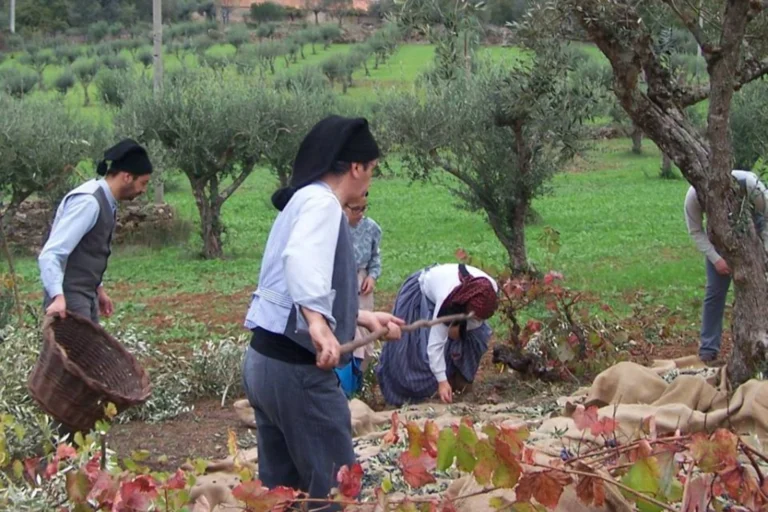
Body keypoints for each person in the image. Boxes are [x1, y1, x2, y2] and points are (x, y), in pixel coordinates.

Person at [241, 115, 404, 508]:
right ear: (356, 167)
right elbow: (300, 260)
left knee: (283, 494)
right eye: (372, 171)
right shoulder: (323, 204)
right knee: (335, 491)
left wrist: (364, 318)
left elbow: (289, 279)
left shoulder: (301, 200)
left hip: (264, 364)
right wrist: (317, 322)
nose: (370, 180)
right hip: (299, 373)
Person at [38, 139, 153, 323]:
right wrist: (58, 298)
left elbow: (87, 251)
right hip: (69, 297)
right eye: (143, 183)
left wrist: (99, 289)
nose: (144, 190)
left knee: (89, 351)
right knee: (76, 352)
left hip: (86, 295)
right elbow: (51, 253)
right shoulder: (88, 202)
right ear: (127, 177)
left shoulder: (106, 201)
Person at [375, 263, 499, 407]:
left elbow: (476, 323)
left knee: (477, 337)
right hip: (426, 294)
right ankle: (424, 395)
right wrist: (442, 381)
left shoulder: (489, 291)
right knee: (416, 358)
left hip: (461, 307)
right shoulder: (445, 298)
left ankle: (460, 381)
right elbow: (435, 345)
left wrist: (462, 328)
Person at [684, 169, 768, 362]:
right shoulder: (693, 197)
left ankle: (760, 341)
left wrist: (764, 250)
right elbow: (695, 231)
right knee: (715, 293)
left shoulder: (752, 186)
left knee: (761, 289)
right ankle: (708, 349)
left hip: (755, 228)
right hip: (719, 239)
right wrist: (716, 259)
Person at [334, 192, 383, 398]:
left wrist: (371, 277)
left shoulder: (371, 227)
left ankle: (357, 383)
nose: (360, 214)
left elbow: (375, 257)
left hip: (362, 284)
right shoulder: (334, 227)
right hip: (338, 281)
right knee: (344, 329)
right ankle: (340, 387)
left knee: (365, 335)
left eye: (364, 208)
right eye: (355, 209)